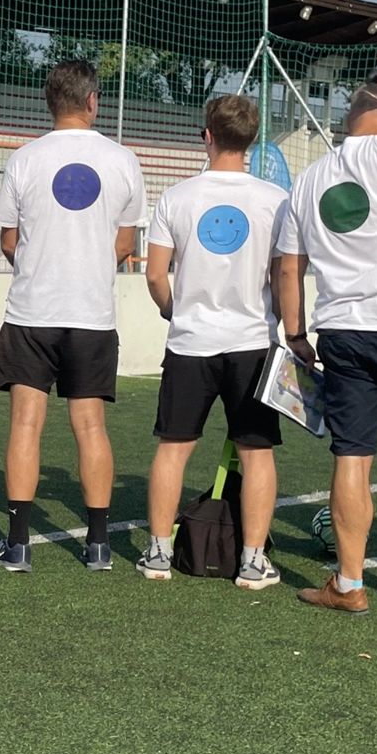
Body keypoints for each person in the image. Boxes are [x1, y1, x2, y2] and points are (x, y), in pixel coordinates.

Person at [0, 59, 146, 574]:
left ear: (49, 102)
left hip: (32, 311)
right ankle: (98, 545)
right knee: (90, 425)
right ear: (92, 101)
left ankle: (18, 544)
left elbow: (8, 239)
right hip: (92, 315)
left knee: (26, 424)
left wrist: (39, 266)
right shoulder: (123, 159)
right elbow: (125, 242)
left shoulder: (24, 159)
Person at [138, 94, 288, 589]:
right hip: (251, 341)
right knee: (257, 452)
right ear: (252, 140)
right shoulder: (275, 200)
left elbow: (156, 274)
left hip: (190, 341)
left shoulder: (177, 197)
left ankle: (158, 554)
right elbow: (283, 273)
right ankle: (250, 561)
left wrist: (172, 311)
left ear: (207, 135)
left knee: (174, 448)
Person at [278, 71, 377, 614]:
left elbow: (290, 267)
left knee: (353, 458)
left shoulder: (310, 177)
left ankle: (349, 585)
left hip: (345, 331)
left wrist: (296, 334)